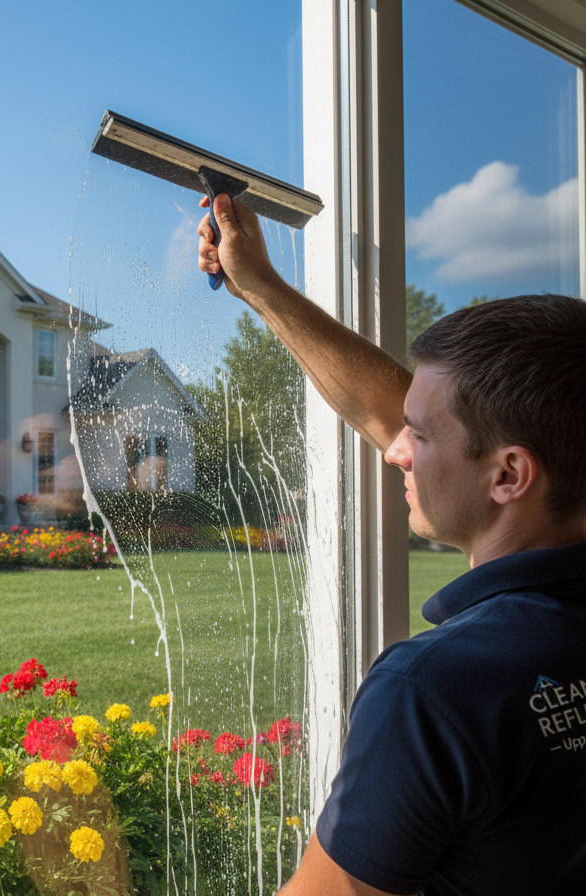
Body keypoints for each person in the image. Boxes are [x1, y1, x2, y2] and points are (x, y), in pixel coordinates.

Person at [197, 193, 586, 895]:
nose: (395, 451)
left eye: (423, 436)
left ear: (509, 475)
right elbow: (414, 421)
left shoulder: (438, 689)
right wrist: (262, 289)